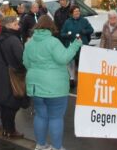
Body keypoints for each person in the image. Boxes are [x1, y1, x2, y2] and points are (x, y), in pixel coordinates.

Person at [24, 16, 82, 150]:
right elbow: (63, 58)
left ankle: (41, 145)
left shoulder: (29, 43)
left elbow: (26, 63)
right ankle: (56, 147)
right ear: (51, 27)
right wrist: (75, 45)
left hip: (35, 86)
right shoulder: (53, 42)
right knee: (55, 117)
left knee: (40, 115)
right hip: (55, 87)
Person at [0, 16, 27, 138]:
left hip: (0, 75)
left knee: (5, 104)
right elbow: (22, 59)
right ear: (8, 26)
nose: (19, 26)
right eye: (16, 24)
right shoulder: (13, 40)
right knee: (12, 104)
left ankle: (6, 129)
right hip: (11, 76)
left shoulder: (0, 38)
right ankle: (10, 130)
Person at [60, 5, 93, 86]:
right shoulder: (67, 22)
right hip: (71, 46)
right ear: (72, 13)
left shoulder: (84, 20)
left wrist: (85, 31)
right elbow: (62, 34)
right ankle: (72, 79)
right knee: (71, 63)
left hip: (82, 45)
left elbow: (91, 30)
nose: (77, 13)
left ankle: (83, 79)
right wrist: (67, 35)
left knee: (82, 63)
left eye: (78, 11)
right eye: (75, 11)